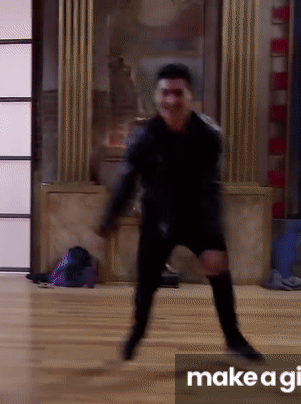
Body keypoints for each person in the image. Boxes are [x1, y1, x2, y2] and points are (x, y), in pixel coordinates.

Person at [97, 63, 264, 363]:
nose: (171, 100)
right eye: (165, 93)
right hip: (157, 220)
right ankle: (137, 332)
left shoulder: (208, 135)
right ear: (156, 96)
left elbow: (210, 190)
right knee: (146, 284)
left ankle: (234, 339)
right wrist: (110, 218)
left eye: (178, 93)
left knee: (220, 278)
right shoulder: (144, 137)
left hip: (197, 219)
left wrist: (213, 243)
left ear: (190, 96)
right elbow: (126, 181)